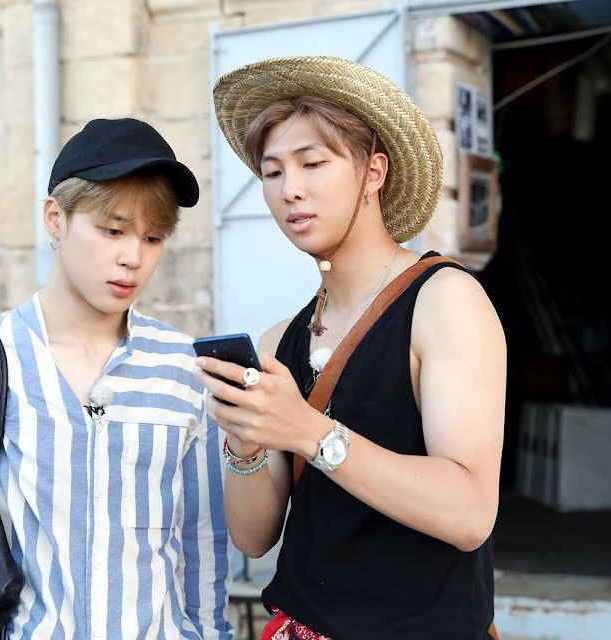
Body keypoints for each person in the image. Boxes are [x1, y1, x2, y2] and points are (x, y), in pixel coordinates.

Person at [0, 118, 233, 639]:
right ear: (55, 219)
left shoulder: (183, 368)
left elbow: (203, 555)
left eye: (153, 238)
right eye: (112, 230)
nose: (133, 257)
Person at [198, 56, 506, 639]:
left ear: (374, 172)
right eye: (272, 172)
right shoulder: (279, 341)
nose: (290, 190)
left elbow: (469, 514)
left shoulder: (444, 301)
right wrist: (244, 439)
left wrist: (309, 432)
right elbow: (254, 537)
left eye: (313, 163)